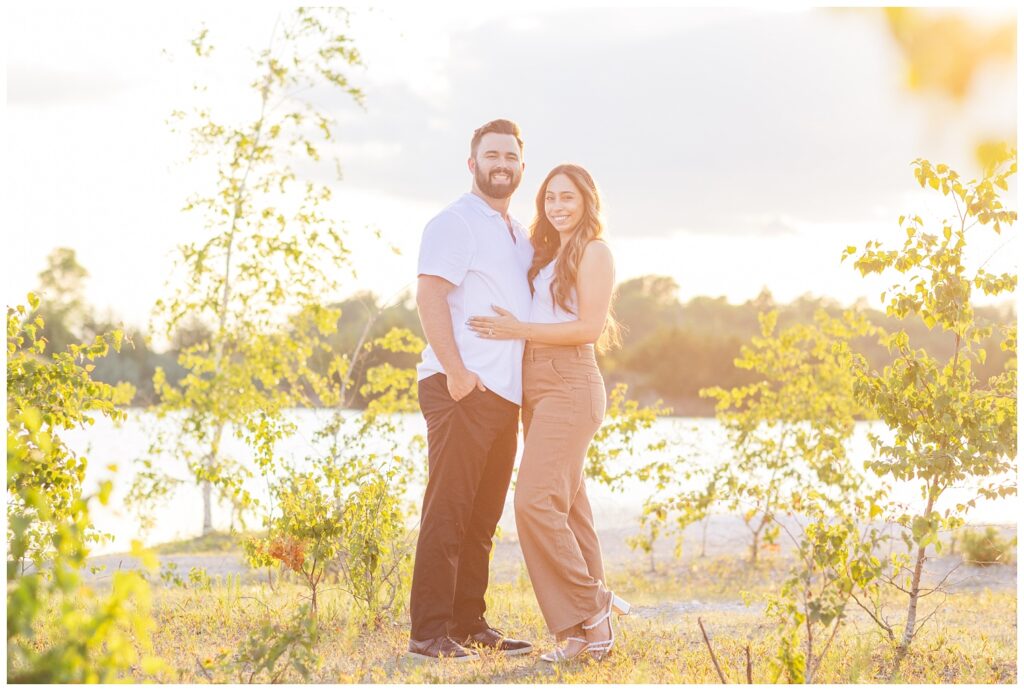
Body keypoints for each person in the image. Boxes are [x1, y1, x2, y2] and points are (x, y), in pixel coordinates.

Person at [466, 163, 630, 663]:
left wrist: (520, 330)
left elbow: (587, 327)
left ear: (587, 202)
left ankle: (593, 605)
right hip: (536, 384)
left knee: (534, 502)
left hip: (570, 382)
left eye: (568, 198)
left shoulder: (596, 252)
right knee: (569, 510)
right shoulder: (548, 252)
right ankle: (580, 637)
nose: (558, 206)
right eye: (551, 198)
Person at [407, 118, 535, 662]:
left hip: (503, 398)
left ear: (521, 167)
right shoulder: (456, 222)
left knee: (481, 519)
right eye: (491, 155)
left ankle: (468, 622)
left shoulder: (516, 232)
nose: (501, 164)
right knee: (449, 511)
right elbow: (430, 296)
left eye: (510, 156)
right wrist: (458, 372)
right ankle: (428, 633)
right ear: (473, 163)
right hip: (460, 388)